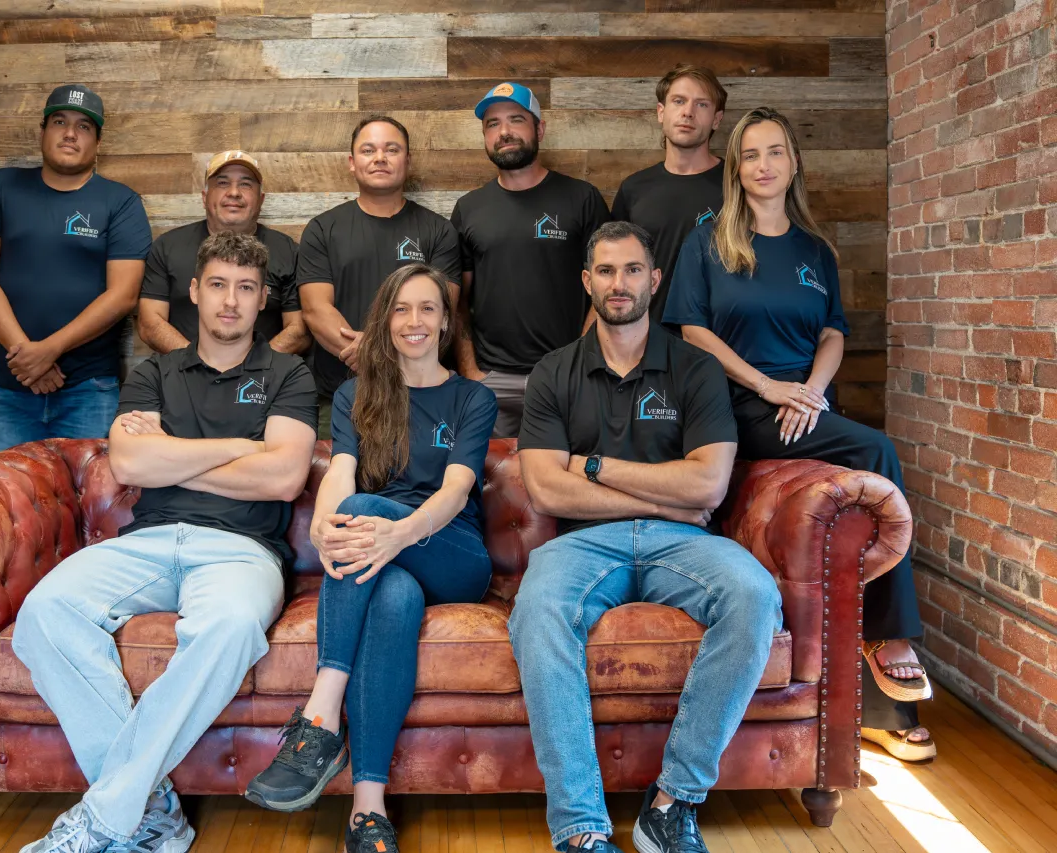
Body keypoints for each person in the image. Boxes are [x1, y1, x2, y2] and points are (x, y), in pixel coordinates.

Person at [11, 233, 319, 853]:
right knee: (43, 614)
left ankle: (105, 817)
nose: (231, 301)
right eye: (218, 285)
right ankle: (149, 809)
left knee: (231, 625)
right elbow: (127, 463)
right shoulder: (155, 371)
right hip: (148, 542)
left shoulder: (289, 374)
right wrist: (242, 448)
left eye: (246, 288)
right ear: (195, 292)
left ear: (263, 301)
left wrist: (170, 459)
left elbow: (285, 477)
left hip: (241, 550)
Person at [662, 106, 934, 763]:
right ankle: (891, 633)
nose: (763, 165)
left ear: (793, 162)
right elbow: (690, 330)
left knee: (869, 453)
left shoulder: (816, 250)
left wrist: (809, 390)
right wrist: (768, 386)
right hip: (737, 404)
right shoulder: (708, 240)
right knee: (878, 449)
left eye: (774, 152)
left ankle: (883, 667)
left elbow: (834, 330)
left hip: (804, 403)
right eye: (750, 154)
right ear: (736, 168)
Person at [511, 221, 782, 853]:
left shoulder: (695, 368)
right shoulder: (554, 372)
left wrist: (595, 464)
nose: (619, 283)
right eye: (605, 271)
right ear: (587, 282)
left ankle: (672, 803)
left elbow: (709, 486)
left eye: (632, 270)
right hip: (583, 545)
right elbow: (546, 491)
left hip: (682, 543)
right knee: (537, 610)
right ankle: (580, 827)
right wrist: (666, 489)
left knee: (753, 596)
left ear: (655, 280)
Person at [245, 264, 498, 853]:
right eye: (402, 309)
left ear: (444, 321)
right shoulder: (358, 394)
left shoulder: (471, 397)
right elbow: (340, 472)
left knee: (364, 509)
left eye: (428, 309)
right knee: (393, 597)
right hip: (385, 562)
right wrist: (330, 530)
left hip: (452, 551)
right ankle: (368, 810)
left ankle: (320, 712)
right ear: (384, 321)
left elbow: (456, 490)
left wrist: (395, 532)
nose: (414, 321)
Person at [0, 83, 151, 454]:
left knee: (86, 507)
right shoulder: (1, 187)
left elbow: (123, 295)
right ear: (42, 132)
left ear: (97, 142)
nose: (70, 133)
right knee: (10, 504)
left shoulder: (121, 202)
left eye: (83, 126)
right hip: (10, 388)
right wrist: (27, 356)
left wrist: (49, 350)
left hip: (88, 390)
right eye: (60, 121)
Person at [451, 82, 611, 437]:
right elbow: (456, 301)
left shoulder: (582, 199)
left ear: (539, 128)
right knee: (492, 484)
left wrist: (579, 364)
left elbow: (607, 290)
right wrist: (471, 372)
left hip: (565, 378)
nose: (504, 131)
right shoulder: (469, 209)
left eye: (515, 120)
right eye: (492, 124)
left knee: (566, 482)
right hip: (492, 382)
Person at [298, 116, 462, 438]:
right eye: (368, 150)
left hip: (418, 395)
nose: (380, 158)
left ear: (407, 160)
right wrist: (374, 354)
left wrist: (375, 352)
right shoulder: (323, 229)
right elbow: (316, 310)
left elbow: (441, 310)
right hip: (338, 396)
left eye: (392, 149)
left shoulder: (438, 231)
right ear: (352, 162)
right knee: (336, 483)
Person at [138, 150, 309, 355]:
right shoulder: (168, 247)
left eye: (245, 184)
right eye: (222, 183)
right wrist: (199, 366)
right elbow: (150, 323)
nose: (234, 192)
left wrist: (253, 368)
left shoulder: (287, 250)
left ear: (261, 199)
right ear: (204, 197)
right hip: (184, 377)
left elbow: (299, 330)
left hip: (264, 381)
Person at [612, 65, 726, 326]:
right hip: (647, 341)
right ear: (661, 112)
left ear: (716, 120)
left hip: (721, 342)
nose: (688, 112)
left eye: (702, 105)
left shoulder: (738, 185)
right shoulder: (634, 188)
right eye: (679, 101)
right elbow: (615, 270)